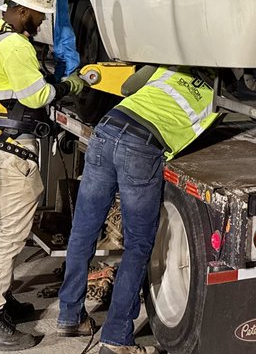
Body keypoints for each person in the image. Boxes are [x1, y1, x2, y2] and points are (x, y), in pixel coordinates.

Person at [57, 65, 219, 353]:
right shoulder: (217, 97)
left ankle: (70, 316)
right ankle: (116, 336)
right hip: (142, 148)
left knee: (83, 230)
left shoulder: (170, 67)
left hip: (107, 130)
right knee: (138, 246)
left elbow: (129, 87)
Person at [0, 0, 87, 351]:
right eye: (38, 16)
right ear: (22, 10)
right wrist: (68, 86)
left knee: (3, 227)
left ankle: (0, 300)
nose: (40, 23)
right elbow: (37, 96)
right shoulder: (16, 46)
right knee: (11, 234)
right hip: (12, 148)